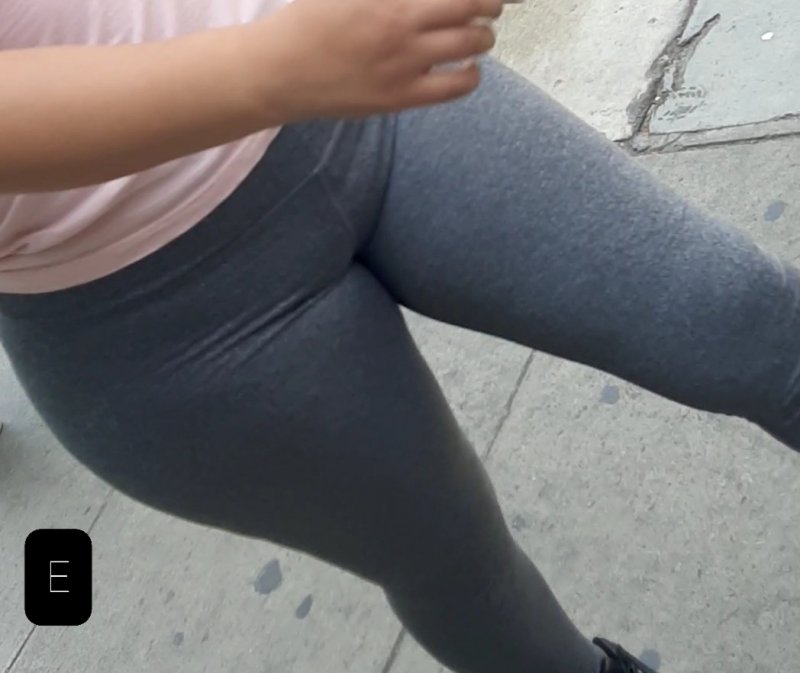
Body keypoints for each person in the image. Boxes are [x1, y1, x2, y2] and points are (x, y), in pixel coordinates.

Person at [1, 1, 797, 672]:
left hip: (356, 84)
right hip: (148, 319)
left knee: (750, 321)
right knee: (457, 567)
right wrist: (272, 66)